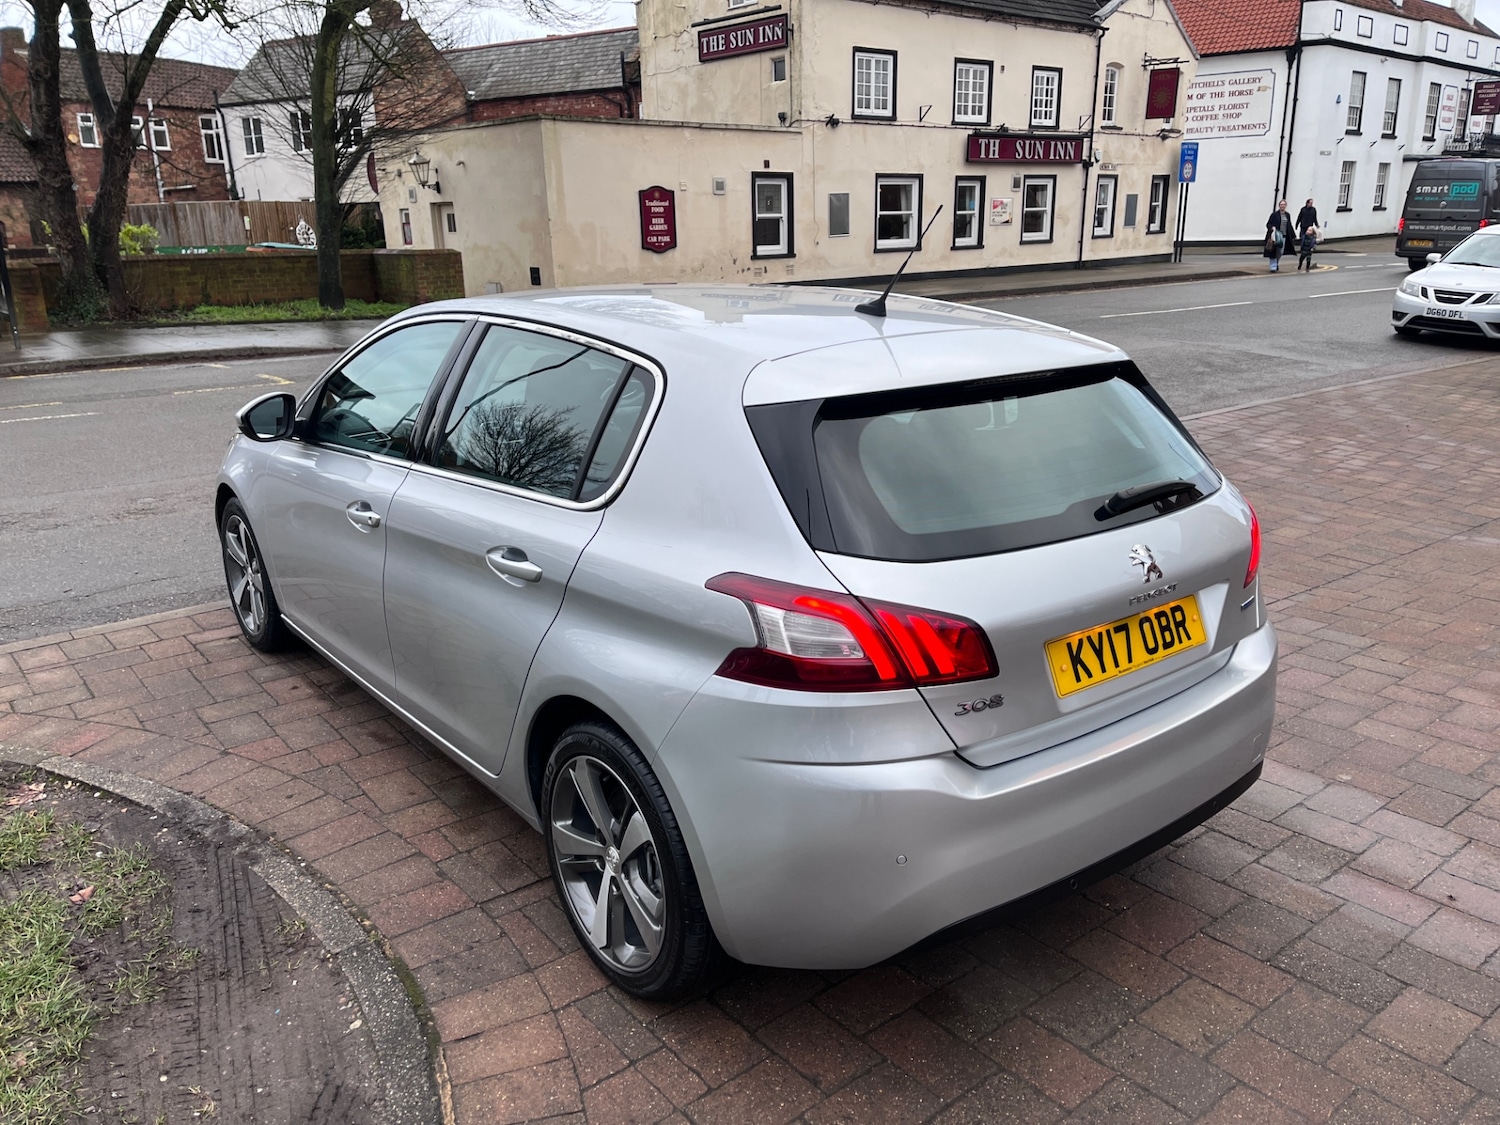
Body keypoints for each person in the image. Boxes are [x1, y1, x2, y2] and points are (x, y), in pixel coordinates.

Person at [1265, 199, 1295, 272]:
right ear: (1279, 205)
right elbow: (1268, 224)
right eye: (1281, 204)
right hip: (1275, 236)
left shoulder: (1287, 215)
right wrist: (1272, 227)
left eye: (1284, 204)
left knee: (1280, 252)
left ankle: (1276, 263)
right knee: (1273, 251)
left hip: (1283, 236)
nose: (1282, 206)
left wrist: (1293, 235)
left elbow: (1289, 225)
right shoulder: (1274, 215)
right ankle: (1273, 267)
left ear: (1286, 206)